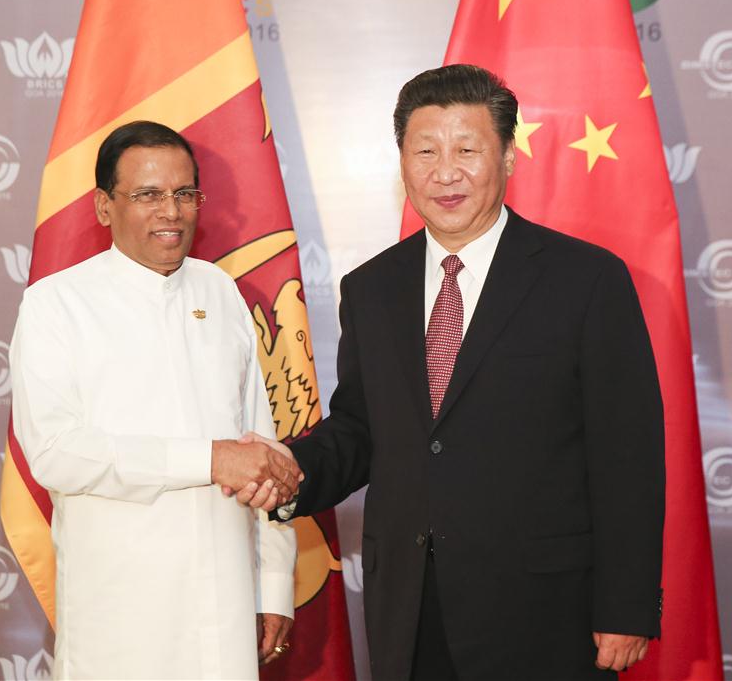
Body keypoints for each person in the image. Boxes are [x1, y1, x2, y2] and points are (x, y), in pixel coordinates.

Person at [235, 65, 665, 680]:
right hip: (410, 609)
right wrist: (293, 471)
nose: (445, 172)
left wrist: (625, 604)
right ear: (402, 161)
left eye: (468, 150)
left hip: (545, 611)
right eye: (426, 151)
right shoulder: (371, 288)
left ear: (509, 158)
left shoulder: (586, 281)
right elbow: (360, 427)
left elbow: (628, 455)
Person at [9, 120, 302, 679]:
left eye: (184, 193)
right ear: (103, 207)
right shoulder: (56, 305)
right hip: (119, 615)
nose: (171, 211)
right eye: (147, 195)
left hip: (227, 607)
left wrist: (274, 587)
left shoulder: (220, 290)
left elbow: (263, 451)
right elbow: (56, 453)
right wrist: (208, 458)